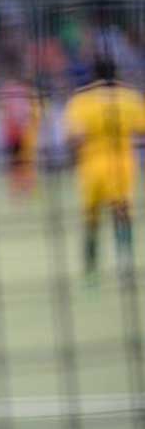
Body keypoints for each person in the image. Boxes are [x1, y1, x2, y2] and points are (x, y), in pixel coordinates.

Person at [63, 58, 145, 284]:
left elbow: (75, 138)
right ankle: (125, 266)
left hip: (92, 164)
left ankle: (91, 271)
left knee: (91, 217)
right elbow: (141, 131)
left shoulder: (82, 100)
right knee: (122, 214)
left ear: (94, 73)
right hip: (122, 163)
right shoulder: (131, 97)